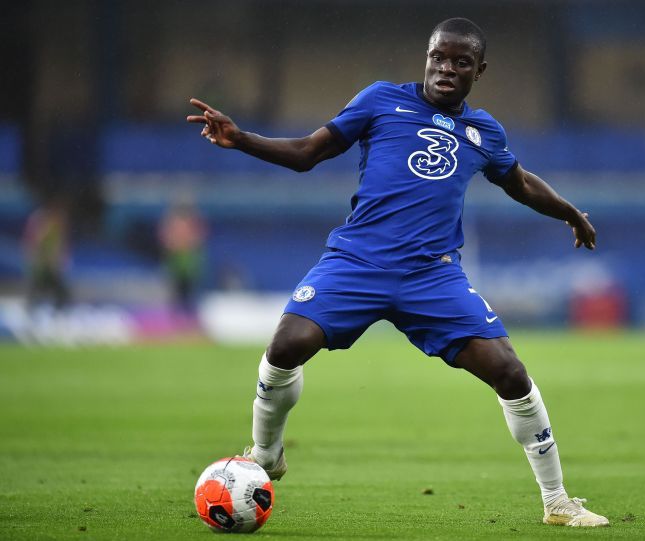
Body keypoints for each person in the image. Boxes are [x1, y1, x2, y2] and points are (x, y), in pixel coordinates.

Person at [187, 18, 608, 528]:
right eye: (438, 57)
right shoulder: (381, 100)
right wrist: (241, 138)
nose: (446, 69)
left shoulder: (483, 131)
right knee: (285, 346)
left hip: (433, 277)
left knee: (511, 374)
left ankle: (558, 502)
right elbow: (307, 154)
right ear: (426, 57)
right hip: (358, 261)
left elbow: (519, 182)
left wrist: (570, 212)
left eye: (460, 62)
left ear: (479, 71)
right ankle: (266, 452)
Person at [22, 198, 71, 310]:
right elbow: (33, 242)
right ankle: (32, 307)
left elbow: (61, 244)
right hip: (40, 262)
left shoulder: (57, 223)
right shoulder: (39, 220)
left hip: (50, 262)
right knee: (38, 286)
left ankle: (59, 307)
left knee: (57, 287)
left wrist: (60, 260)